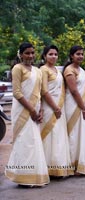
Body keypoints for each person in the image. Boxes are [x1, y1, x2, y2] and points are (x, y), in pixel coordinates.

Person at [5, 42, 50, 187]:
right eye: (27, 53)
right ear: (20, 54)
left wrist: (40, 110)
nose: (30, 56)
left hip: (36, 109)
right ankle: (23, 177)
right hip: (23, 110)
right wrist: (31, 110)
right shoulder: (17, 69)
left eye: (32, 53)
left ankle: (35, 176)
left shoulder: (38, 71)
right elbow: (17, 92)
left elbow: (41, 92)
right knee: (24, 142)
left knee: (34, 141)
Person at [40, 45, 74, 177]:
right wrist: (54, 107)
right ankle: (49, 168)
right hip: (50, 107)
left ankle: (60, 167)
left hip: (60, 107)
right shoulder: (43, 69)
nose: (53, 57)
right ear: (44, 56)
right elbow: (44, 90)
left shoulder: (57, 70)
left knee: (59, 137)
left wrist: (59, 107)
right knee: (50, 136)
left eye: (55, 54)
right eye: (50, 54)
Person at [63, 45, 85, 175]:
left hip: (82, 103)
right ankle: (72, 165)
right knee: (73, 134)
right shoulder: (69, 70)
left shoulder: (81, 69)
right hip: (73, 104)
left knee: (80, 133)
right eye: (77, 54)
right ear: (71, 56)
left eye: (82, 54)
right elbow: (74, 91)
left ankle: (80, 164)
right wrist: (83, 107)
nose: (80, 56)